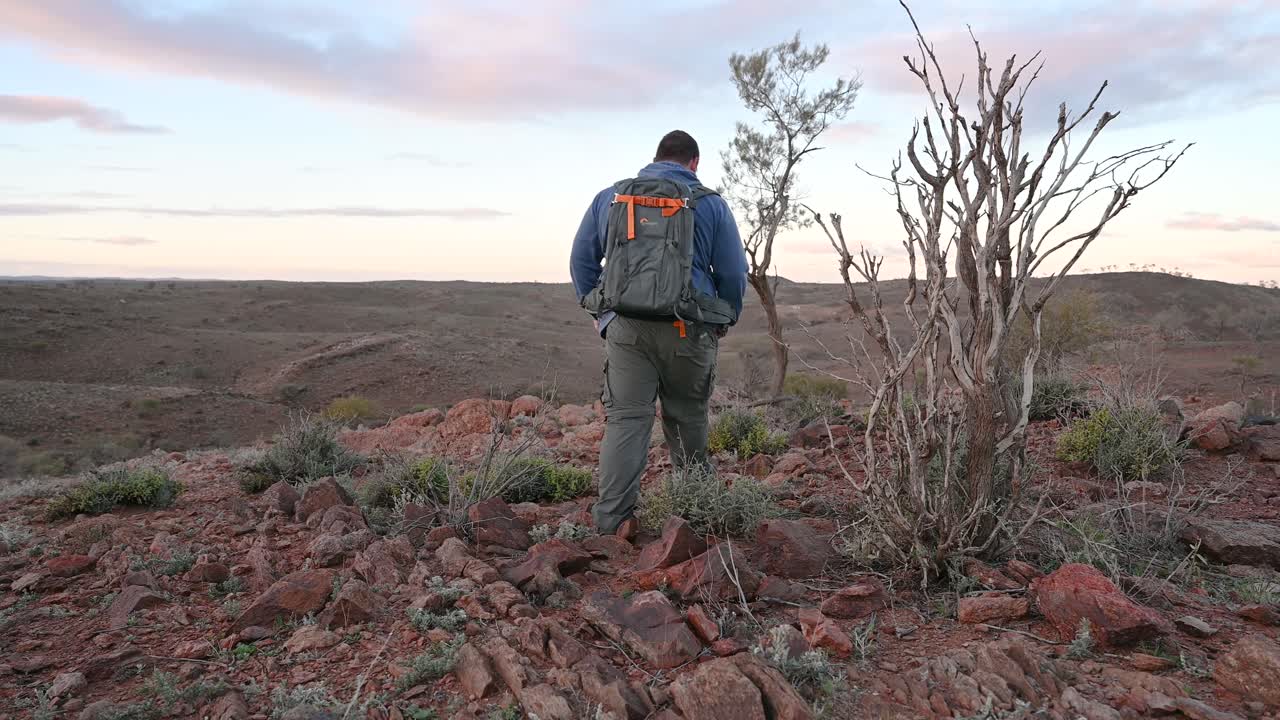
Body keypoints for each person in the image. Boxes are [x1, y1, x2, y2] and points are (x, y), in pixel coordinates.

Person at [570, 130, 748, 537]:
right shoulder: (710, 205)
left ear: (654, 158)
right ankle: (695, 517)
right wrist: (724, 316)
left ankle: (611, 523)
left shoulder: (610, 198)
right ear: (694, 162)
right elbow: (734, 274)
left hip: (627, 327)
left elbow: (581, 259)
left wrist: (602, 313)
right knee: (686, 417)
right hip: (689, 327)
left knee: (627, 422)